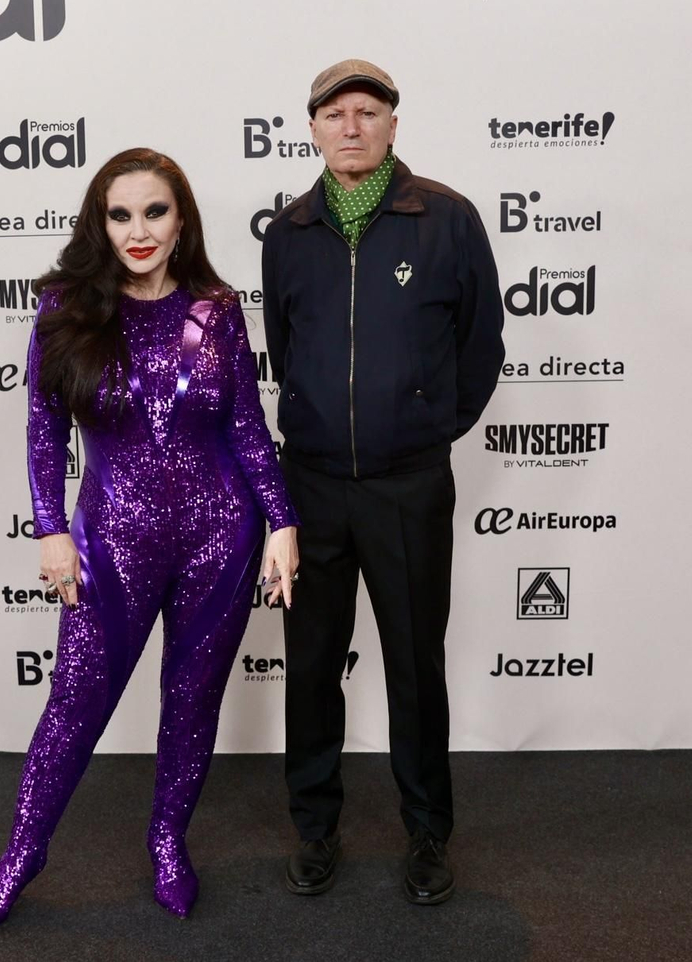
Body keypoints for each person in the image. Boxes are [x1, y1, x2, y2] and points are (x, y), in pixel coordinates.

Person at [0, 148, 299, 929]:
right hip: (112, 537)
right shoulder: (65, 307)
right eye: (120, 214)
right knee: (75, 700)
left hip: (222, 532)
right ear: (98, 222)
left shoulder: (217, 306)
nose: (138, 230)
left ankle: (168, 841)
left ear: (182, 221)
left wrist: (281, 520)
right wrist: (50, 529)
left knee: (190, 700)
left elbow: (248, 430)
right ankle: (21, 853)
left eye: (155, 211)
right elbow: (45, 435)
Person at [262, 59, 504, 905]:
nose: (352, 126)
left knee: (413, 663)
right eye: (336, 113)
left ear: (394, 125)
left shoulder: (447, 219)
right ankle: (315, 827)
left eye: (369, 111)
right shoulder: (288, 233)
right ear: (315, 129)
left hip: (408, 486)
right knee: (311, 664)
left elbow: (482, 348)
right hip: (314, 486)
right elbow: (285, 353)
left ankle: (428, 833)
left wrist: (426, 426)